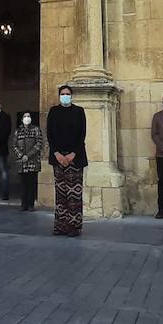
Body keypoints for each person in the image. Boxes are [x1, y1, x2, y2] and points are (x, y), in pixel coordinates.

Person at [47, 84, 88, 237]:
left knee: (74, 194)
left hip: (75, 158)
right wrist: (56, 153)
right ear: (59, 96)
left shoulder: (79, 111)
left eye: (67, 93)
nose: (65, 95)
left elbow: (82, 135)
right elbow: (49, 134)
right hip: (58, 158)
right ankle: (61, 225)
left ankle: (74, 226)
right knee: (61, 193)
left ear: (71, 96)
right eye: (62, 93)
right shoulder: (53, 111)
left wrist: (72, 154)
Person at [13, 112, 43, 211]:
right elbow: (14, 145)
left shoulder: (36, 129)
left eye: (28, 116)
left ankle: (31, 204)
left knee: (31, 183)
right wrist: (21, 156)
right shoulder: (18, 131)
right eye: (25, 116)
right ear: (22, 119)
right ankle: (23, 204)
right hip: (21, 162)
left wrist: (28, 155)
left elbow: (39, 143)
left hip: (33, 161)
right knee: (23, 184)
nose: (27, 118)